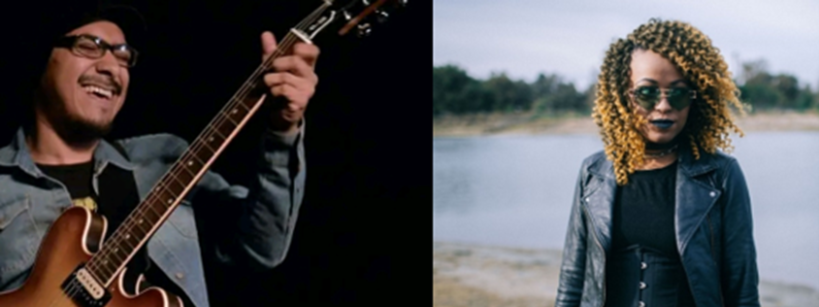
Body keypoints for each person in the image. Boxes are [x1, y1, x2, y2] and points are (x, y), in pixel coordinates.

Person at [0, 3, 318, 307]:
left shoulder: (164, 160)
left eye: (123, 56)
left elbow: (261, 248)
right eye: (89, 45)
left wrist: (282, 132)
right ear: (43, 59)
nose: (112, 67)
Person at [554, 19, 760, 307]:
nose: (663, 105)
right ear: (624, 98)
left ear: (695, 99)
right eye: (647, 92)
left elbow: (742, 289)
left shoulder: (720, 175)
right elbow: (572, 280)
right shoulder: (593, 173)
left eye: (677, 93)